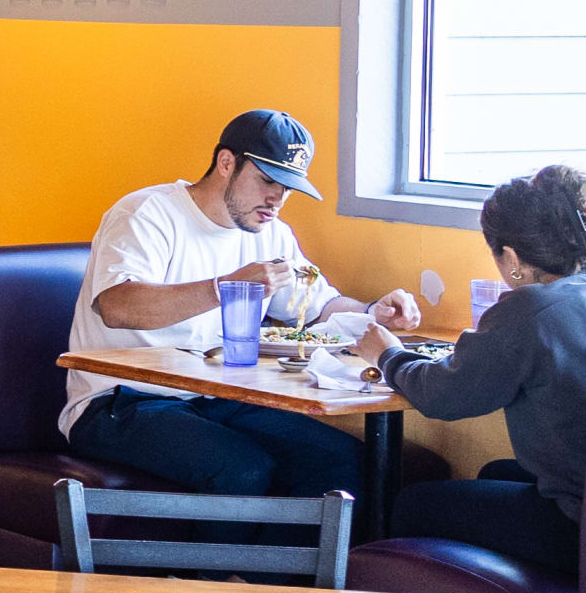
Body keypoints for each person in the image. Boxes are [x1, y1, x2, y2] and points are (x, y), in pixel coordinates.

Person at [352, 166, 586, 577]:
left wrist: (387, 355)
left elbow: (441, 396)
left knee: (413, 503)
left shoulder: (532, 309)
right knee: (498, 473)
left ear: (513, 257)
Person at [63, 110, 420, 500]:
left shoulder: (270, 232)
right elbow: (118, 307)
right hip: (118, 400)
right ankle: (212, 566)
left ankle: (294, 563)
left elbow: (320, 306)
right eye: (267, 180)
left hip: (219, 396)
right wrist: (226, 287)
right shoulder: (147, 213)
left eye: (288, 188)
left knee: (342, 462)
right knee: (242, 469)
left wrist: (371, 312)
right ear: (226, 163)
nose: (277, 199)